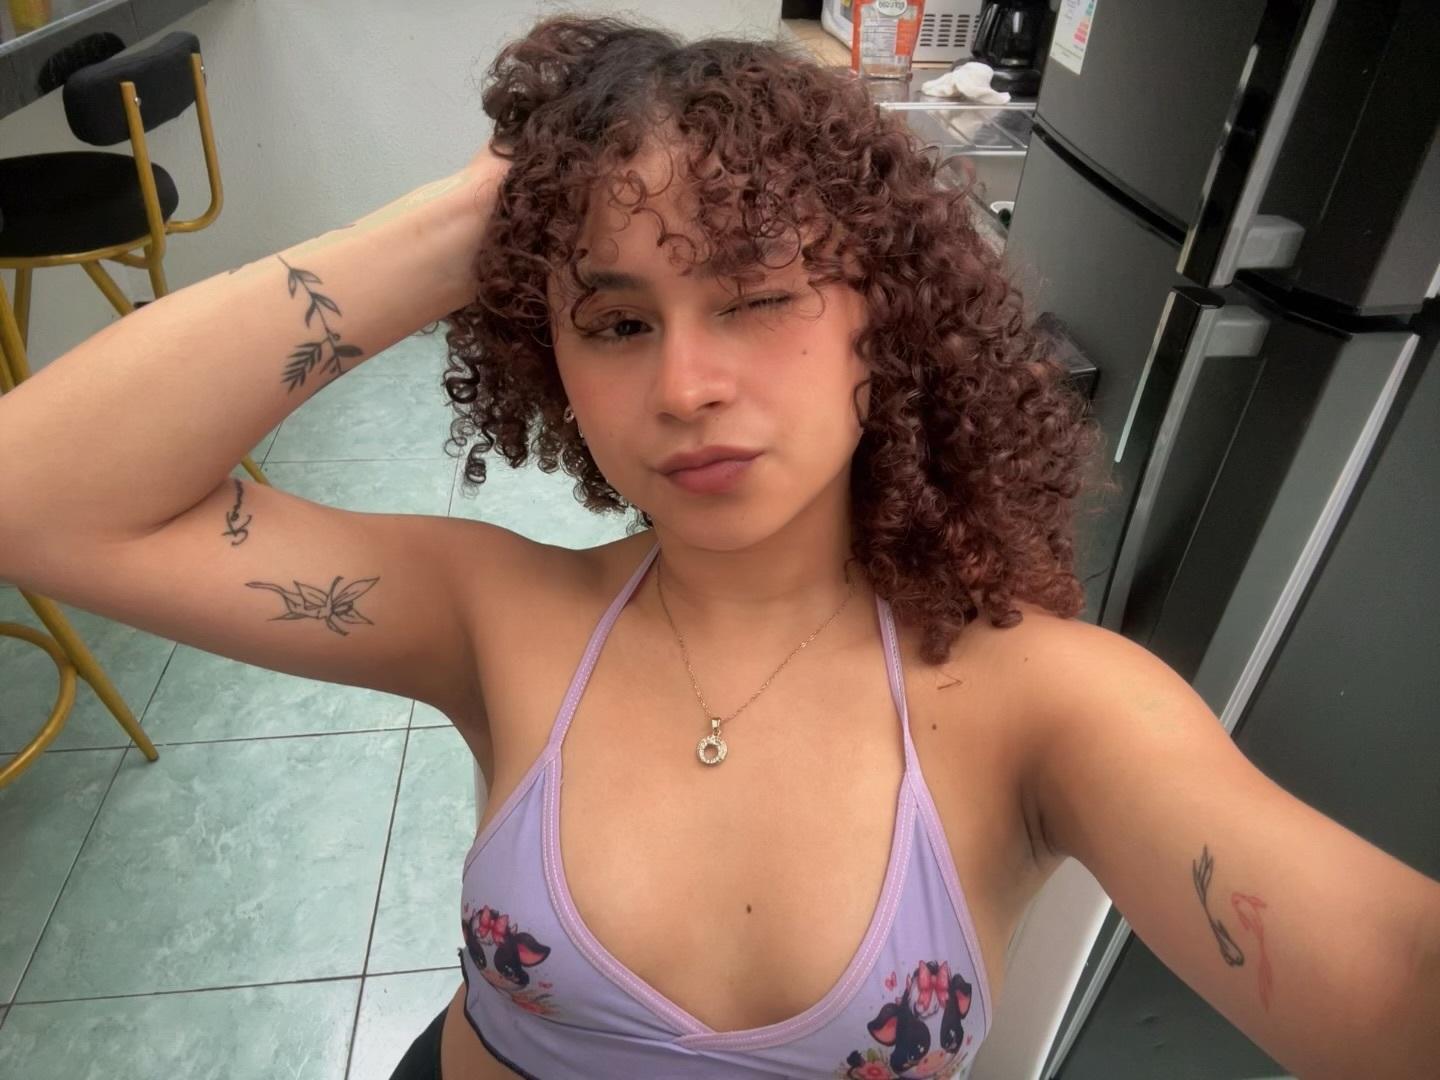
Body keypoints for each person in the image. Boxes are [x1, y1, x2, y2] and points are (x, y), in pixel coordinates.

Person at [0, 13, 1436, 1080]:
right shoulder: (497, 613)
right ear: (550, 357)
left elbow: (1388, 978)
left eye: (754, 294)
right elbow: (40, 495)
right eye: (617, 320)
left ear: (885, 313)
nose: (685, 385)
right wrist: (479, 217)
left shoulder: (1051, 706)